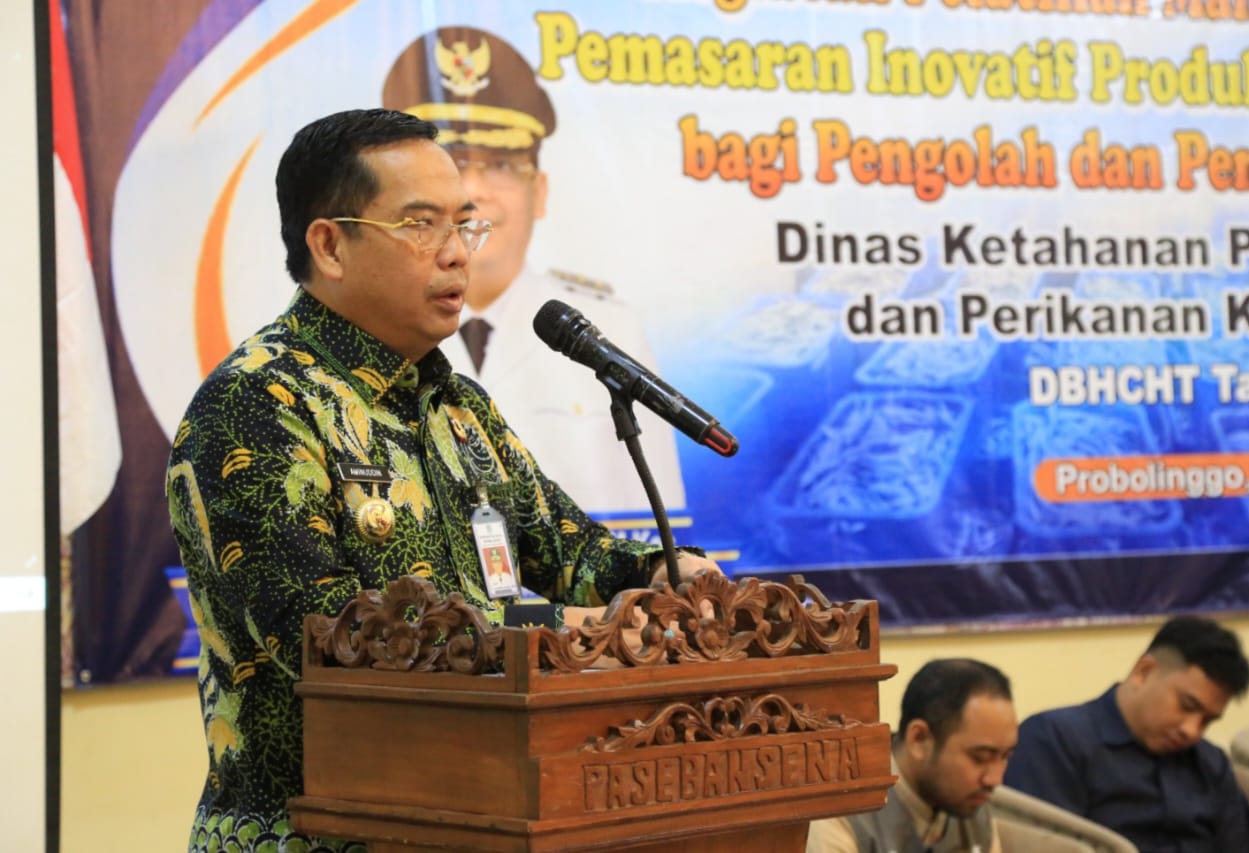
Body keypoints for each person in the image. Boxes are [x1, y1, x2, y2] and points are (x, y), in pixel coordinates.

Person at [164, 108, 719, 852]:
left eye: (464, 224)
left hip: (473, 824)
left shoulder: (459, 408)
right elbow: (330, 632)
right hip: (312, 835)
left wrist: (659, 573)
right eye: (421, 225)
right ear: (329, 245)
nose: (457, 253)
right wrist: (562, 630)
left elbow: (568, 550)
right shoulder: (257, 403)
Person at [381, 26, 686, 515]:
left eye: (502, 165)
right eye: (454, 165)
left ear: (539, 191)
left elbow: (656, 517)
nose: (476, 191)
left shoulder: (607, 328)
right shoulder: (376, 325)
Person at [1004, 615, 1249, 853]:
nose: (1191, 730)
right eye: (1187, 706)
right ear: (1144, 672)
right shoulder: (1054, 740)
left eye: (1207, 721)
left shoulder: (1210, 763)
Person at [807, 658, 1018, 853]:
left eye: (1005, 757)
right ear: (919, 739)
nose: (994, 780)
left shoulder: (971, 808)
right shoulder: (842, 813)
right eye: (980, 758)